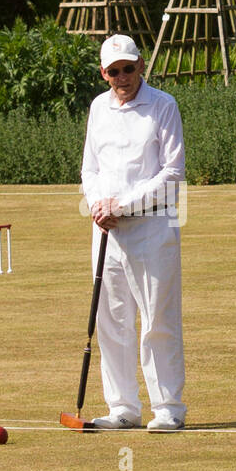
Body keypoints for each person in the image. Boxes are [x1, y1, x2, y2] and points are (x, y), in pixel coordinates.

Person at [80, 34, 187, 431]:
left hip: (153, 226)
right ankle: (123, 406)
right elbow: (90, 169)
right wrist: (97, 204)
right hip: (106, 229)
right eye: (114, 71)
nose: (122, 77)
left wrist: (121, 205)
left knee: (158, 317)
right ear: (104, 73)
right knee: (111, 319)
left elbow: (172, 174)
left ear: (141, 65)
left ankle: (168, 408)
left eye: (128, 67)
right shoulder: (97, 108)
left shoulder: (163, 105)